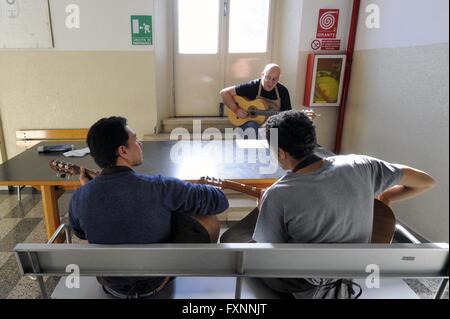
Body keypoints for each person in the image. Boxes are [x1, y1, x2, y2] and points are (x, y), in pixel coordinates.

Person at [220, 110, 436, 298]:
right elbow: (426, 182)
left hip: (304, 281)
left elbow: (265, 255)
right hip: (356, 269)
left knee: (234, 239)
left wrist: (263, 208)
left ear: (282, 153)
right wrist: (385, 199)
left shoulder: (279, 194)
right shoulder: (361, 164)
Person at [68, 116, 229, 299]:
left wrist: (90, 190)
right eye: (135, 140)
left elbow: (80, 233)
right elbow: (220, 201)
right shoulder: (159, 187)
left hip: (113, 287)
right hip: (155, 283)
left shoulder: (79, 197)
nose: (140, 144)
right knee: (205, 220)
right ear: (123, 151)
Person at [220, 63, 292, 137]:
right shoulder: (253, 86)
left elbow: (288, 117)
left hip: (272, 125)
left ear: (278, 79)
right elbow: (224, 93)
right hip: (251, 123)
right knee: (251, 127)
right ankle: (251, 148)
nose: (270, 82)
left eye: (274, 79)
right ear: (262, 75)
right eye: (267, 77)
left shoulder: (282, 91)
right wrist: (236, 109)